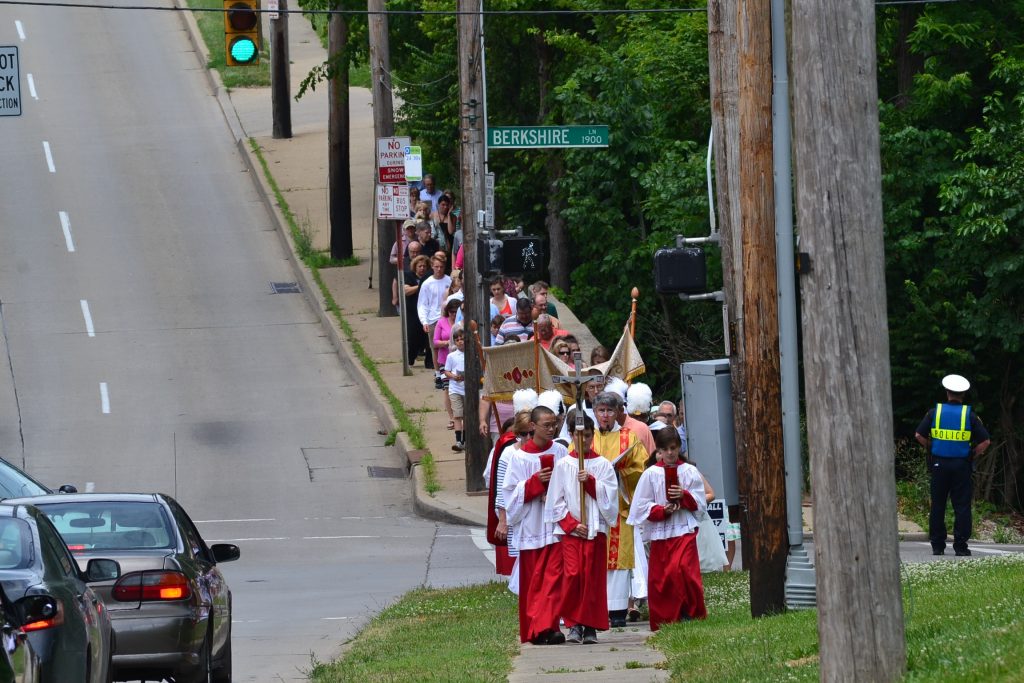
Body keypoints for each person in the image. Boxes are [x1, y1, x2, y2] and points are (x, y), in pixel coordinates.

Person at [544, 415, 618, 644]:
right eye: (578, 435)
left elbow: (611, 501)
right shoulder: (563, 465)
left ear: (591, 435)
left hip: (595, 531)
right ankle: (574, 624)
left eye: (587, 435)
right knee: (574, 575)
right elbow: (555, 501)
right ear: (571, 435)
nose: (583, 440)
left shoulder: (603, 465)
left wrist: (593, 483)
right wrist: (572, 525)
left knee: (592, 578)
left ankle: (591, 627)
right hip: (573, 531)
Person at [627, 427, 707, 630]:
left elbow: (700, 502)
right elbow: (641, 508)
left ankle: (690, 612)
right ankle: (667, 618)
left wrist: (684, 495)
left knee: (685, 572)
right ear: (659, 451)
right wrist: (662, 510)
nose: (670, 453)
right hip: (662, 532)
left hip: (683, 529)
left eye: (673, 448)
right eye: (665, 449)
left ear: (679, 448)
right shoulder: (651, 474)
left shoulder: (689, 471)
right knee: (665, 577)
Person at [503, 406, 569, 645]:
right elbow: (509, 495)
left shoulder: (561, 451)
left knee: (554, 578)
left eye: (554, 425)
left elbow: (570, 483)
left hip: (555, 526)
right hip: (531, 525)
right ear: (532, 426)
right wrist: (534, 483)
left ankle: (549, 626)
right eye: (546, 425)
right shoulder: (519, 457)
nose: (552, 429)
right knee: (534, 582)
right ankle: (536, 629)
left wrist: (554, 493)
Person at [914, 374, 991, 556]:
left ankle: (938, 546)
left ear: (947, 392)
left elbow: (918, 435)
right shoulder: (969, 415)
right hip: (961, 465)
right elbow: (986, 441)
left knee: (938, 505)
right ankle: (961, 547)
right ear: (963, 393)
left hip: (939, 464)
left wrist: (932, 448)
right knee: (962, 506)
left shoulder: (935, 413)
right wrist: (972, 453)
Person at [590, 391, 648, 627]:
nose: (605, 416)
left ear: (618, 412)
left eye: (610, 411)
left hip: (618, 508)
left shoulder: (629, 438)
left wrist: (620, 473)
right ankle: (595, 609)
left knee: (618, 560)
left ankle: (617, 610)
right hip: (591, 507)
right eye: (601, 411)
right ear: (594, 412)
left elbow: (641, 469)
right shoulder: (586, 437)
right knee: (594, 560)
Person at [416, 255, 451, 387]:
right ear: (432, 267)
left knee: (448, 347)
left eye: (441, 267)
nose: (439, 269)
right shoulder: (427, 283)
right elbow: (423, 304)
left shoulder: (449, 281)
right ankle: (438, 374)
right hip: (432, 320)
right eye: (436, 267)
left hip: (447, 318)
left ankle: (447, 372)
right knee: (435, 347)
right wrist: (424, 321)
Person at [434, 296, 461, 429]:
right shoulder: (441, 322)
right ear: (447, 311)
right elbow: (435, 341)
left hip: (459, 360)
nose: (454, 314)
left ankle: (460, 416)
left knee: (459, 388)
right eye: (451, 311)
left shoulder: (461, 322)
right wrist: (447, 343)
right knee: (447, 388)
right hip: (445, 359)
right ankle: (452, 417)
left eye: (456, 311)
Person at [403, 255, 432, 369]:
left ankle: (429, 362)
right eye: (420, 266)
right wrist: (421, 286)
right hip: (412, 313)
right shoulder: (408, 276)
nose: (422, 268)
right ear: (415, 267)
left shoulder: (429, 277)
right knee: (412, 338)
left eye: (424, 266)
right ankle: (410, 359)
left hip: (426, 312)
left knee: (427, 338)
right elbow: (406, 291)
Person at [444, 329, 467, 451]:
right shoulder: (451, 356)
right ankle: (458, 441)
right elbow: (446, 371)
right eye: (457, 340)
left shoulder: (471, 354)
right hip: (455, 389)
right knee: (457, 415)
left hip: (467, 389)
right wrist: (454, 376)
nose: (460, 342)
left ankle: (466, 440)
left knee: (467, 416)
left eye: (462, 339)